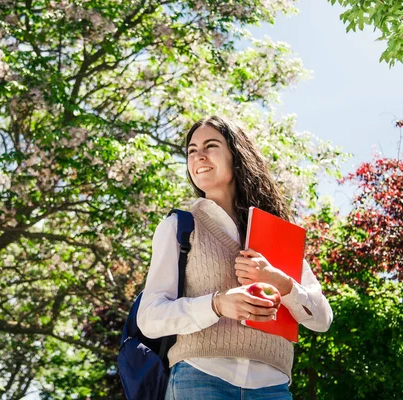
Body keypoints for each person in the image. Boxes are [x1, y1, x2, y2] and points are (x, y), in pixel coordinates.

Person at [137, 116, 333, 399]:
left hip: (272, 389)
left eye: (210, 145)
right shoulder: (179, 227)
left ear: (236, 155)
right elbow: (150, 317)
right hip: (199, 379)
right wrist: (218, 305)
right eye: (192, 150)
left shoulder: (276, 235)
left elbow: (322, 318)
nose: (199, 156)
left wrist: (279, 281)